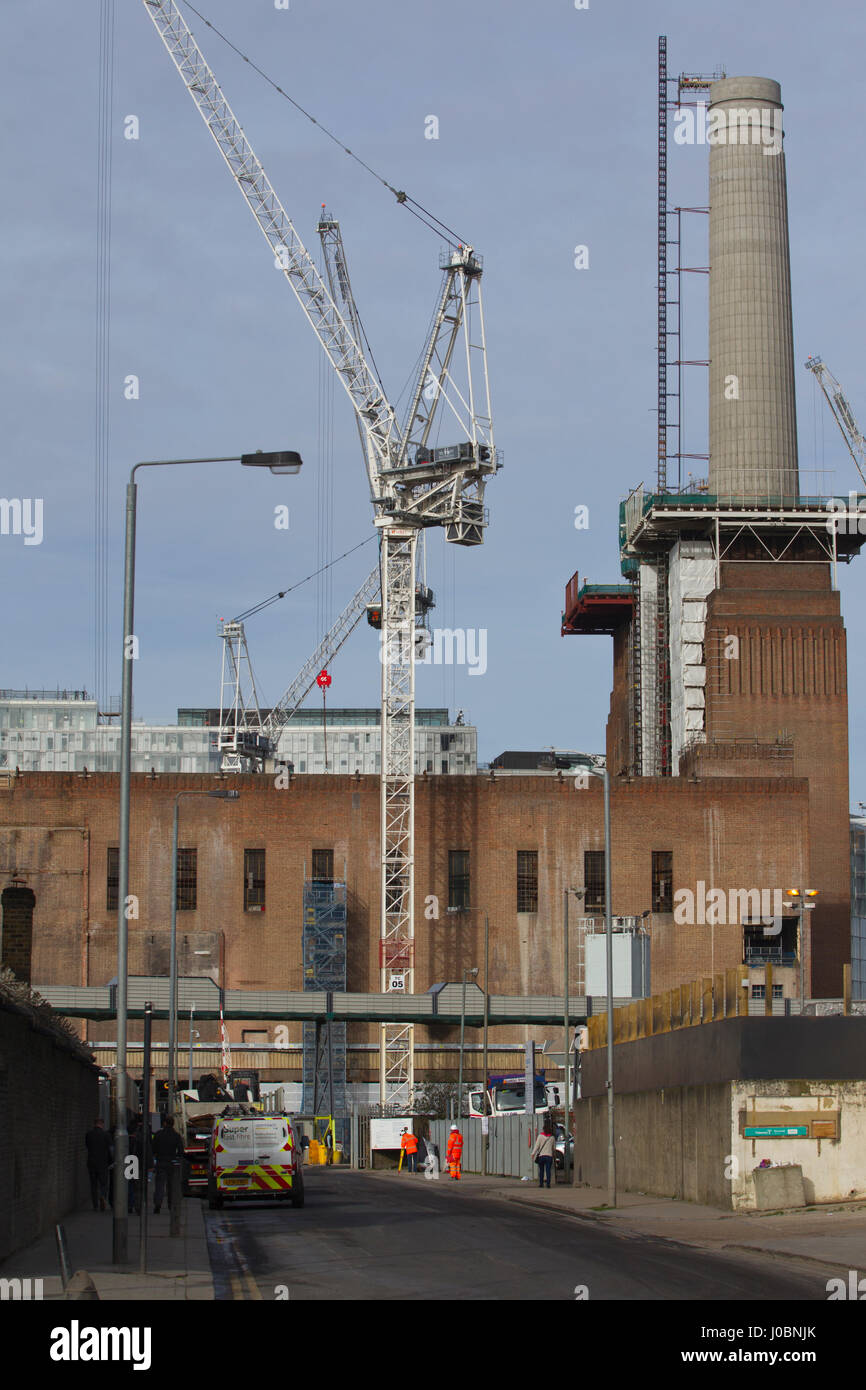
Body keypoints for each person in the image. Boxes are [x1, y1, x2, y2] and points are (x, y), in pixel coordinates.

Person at [151, 1115, 184, 1214]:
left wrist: (156, 1156)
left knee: (159, 1185)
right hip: (172, 1162)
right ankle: (170, 1205)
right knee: (171, 1186)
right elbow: (181, 1151)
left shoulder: (158, 1134)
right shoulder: (176, 1136)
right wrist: (176, 1157)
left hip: (161, 1161)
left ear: (164, 1123)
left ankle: (158, 1204)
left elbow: (153, 1149)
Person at [84, 1117, 113, 1212]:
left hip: (92, 1162)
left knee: (93, 1184)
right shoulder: (106, 1135)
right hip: (103, 1163)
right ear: (102, 1124)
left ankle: (95, 1205)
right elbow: (110, 1149)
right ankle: (102, 1197)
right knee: (103, 1183)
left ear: (94, 1124)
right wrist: (111, 1161)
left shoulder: (89, 1134)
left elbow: (87, 1146)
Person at [530, 1123, 555, 1188]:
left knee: (541, 1170)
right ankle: (548, 1184)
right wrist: (554, 1156)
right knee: (548, 1170)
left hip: (541, 1156)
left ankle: (541, 1184)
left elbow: (537, 1146)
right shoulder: (552, 1137)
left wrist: (533, 1153)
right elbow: (554, 1148)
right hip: (549, 1156)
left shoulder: (540, 1136)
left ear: (543, 1129)